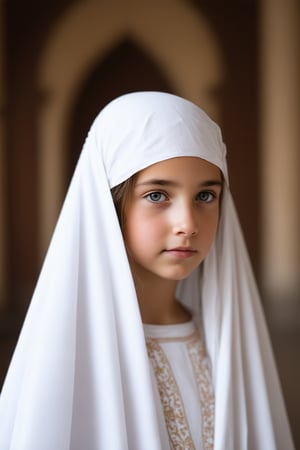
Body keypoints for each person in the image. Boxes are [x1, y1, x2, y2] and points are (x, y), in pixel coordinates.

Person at [0, 91, 294, 449]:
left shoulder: (226, 336)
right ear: (111, 205)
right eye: (157, 195)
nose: (187, 224)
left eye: (205, 196)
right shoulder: (69, 354)